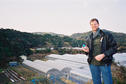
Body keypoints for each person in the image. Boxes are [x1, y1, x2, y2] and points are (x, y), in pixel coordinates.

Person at [82, 18, 117, 84]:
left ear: (98, 24)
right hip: (93, 64)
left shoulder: (106, 34)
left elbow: (114, 48)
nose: (93, 26)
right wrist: (86, 50)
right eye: (92, 24)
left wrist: (103, 55)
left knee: (108, 82)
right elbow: (88, 50)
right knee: (96, 82)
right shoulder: (89, 37)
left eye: (95, 24)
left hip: (104, 63)